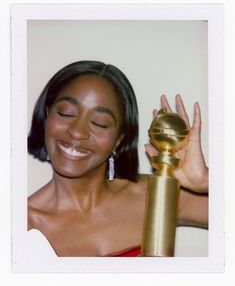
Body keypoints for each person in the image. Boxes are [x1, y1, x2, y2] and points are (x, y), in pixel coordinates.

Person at [28, 60, 208, 257]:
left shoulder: (155, 195)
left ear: (119, 141)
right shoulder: (21, 225)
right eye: (66, 113)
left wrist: (205, 181)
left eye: (100, 123)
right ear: (47, 117)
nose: (78, 132)